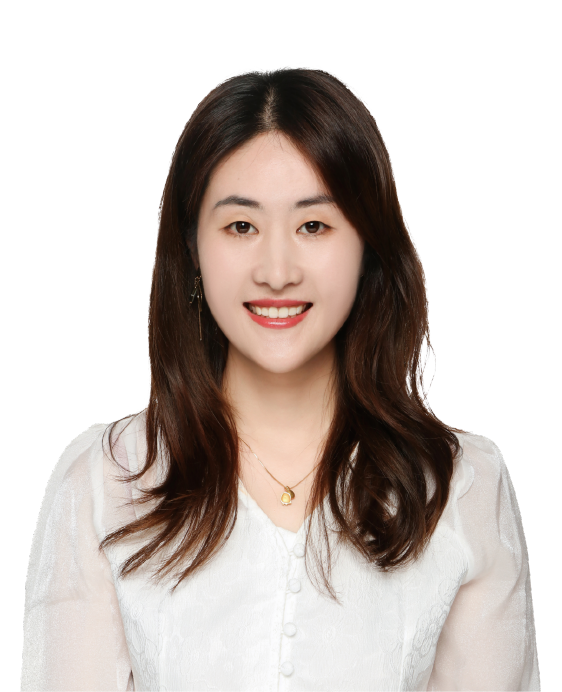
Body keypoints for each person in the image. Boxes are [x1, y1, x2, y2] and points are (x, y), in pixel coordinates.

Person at [21, 67, 540, 691]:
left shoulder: (461, 486)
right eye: (241, 226)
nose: (276, 271)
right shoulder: (107, 482)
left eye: (313, 226)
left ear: (368, 247)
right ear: (192, 249)